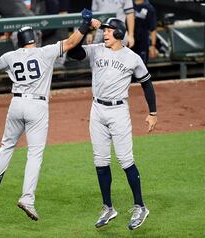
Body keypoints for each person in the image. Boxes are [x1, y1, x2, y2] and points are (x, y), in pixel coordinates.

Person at [0, 9, 101, 221]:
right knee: (34, 154)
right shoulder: (45, 52)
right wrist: (84, 23)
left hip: (16, 103)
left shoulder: (10, 56)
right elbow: (73, 42)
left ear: (19, 41)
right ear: (34, 39)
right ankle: (27, 198)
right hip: (37, 107)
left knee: (6, 145)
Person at [67, 18, 157, 230]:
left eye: (108, 31)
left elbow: (147, 84)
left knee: (125, 160)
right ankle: (108, 207)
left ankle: (140, 206)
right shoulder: (96, 50)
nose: (104, 33)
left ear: (119, 33)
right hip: (97, 110)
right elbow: (74, 53)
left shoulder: (132, 58)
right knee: (100, 162)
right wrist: (86, 26)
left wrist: (153, 112)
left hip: (118, 112)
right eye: (104, 30)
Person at [133, 0, 158, 64]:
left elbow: (153, 29)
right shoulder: (128, 4)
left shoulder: (149, 8)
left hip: (142, 44)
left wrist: (153, 46)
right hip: (128, 43)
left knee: (142, 69)